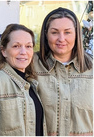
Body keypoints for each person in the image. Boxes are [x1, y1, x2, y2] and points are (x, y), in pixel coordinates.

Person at [33, 7, 93, 136]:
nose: (61, 38)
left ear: (77, 34)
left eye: (67, 32)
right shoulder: (30, 66)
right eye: (54, 32)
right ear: (46, 34)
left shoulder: (92, 69)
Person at [0, 24, 46, 136]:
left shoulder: (31, 84)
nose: (23, 52)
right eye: (16, 46)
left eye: (28, 46)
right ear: (4, 51)